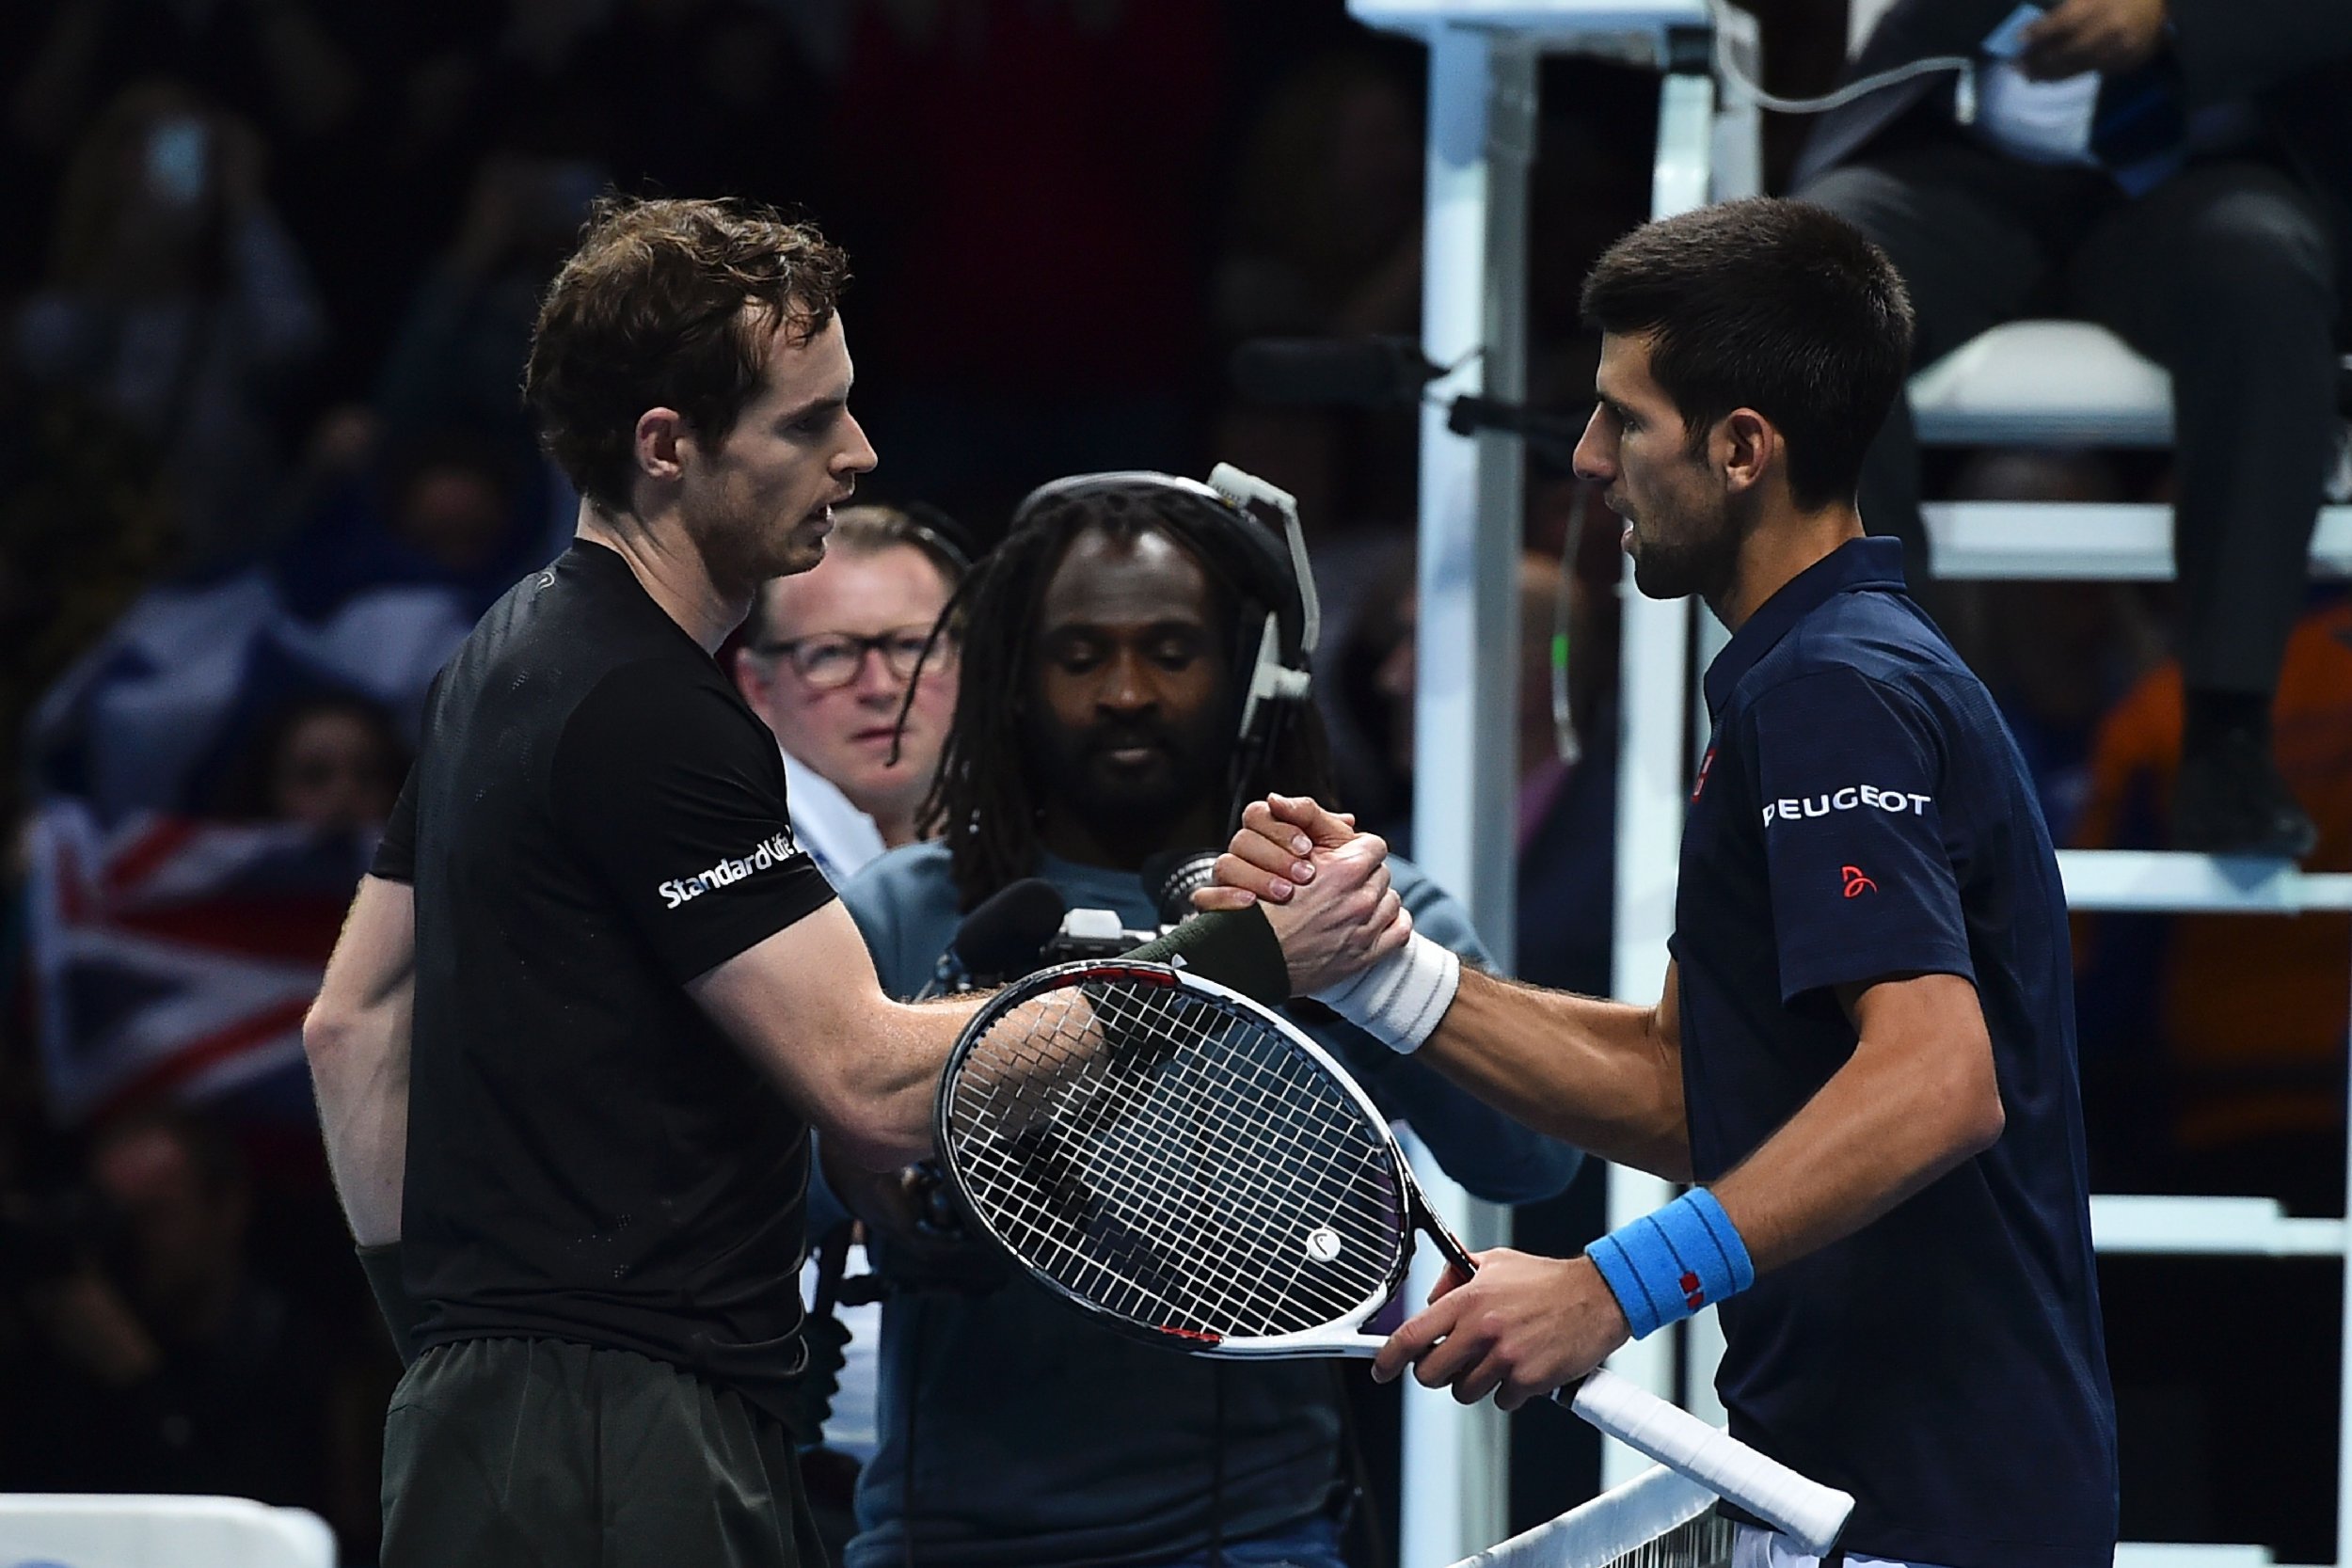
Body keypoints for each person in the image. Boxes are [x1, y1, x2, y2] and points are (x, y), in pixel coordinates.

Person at [299, 196, 1404, 1568]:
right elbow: (874, 1083)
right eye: (809, 420)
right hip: (626, 1431)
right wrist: (1243, 959)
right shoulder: (649, 708)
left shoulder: (500, 654)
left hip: (506, 1422)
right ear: (668, 446)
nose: (859, 451)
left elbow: (347, 1027)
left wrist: (459, 1353)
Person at [1205, 200, 2117, 1568]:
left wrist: (1609, 1287)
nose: (1585, 460)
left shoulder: (1836, 688)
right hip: (1856, 1481)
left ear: (1743, 447)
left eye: (1621, 419)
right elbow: (1693, 1096)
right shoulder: (1812, 674)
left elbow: (1939, 1077)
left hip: (1929, 1507)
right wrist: (1377, 966)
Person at [830, 471, 1584, 1568]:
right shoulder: (903, 912)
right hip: (937, 1541)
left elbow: (1536, 1159)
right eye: (1079, 656)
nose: (1126, 691)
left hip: (1256, 1539)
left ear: (1250, 675)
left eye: (1170, 652)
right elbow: (768, 1206)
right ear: (1013, 679)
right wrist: (867, 1174)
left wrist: (1381, 969)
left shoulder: (1350, 911)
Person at [1792, 0, 2352, 858]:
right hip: (1963, 161)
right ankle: (1910, 740)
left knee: (2265, 274)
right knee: (1812, 284)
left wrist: (2172, 20)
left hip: (2208, 169)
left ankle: (2228, 736)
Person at [733, 504, 967, 879]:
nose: (880, 688)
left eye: (912, 646)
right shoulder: (712, 846)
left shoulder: (1046, 831)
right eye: (831, 653)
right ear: (758, 687)